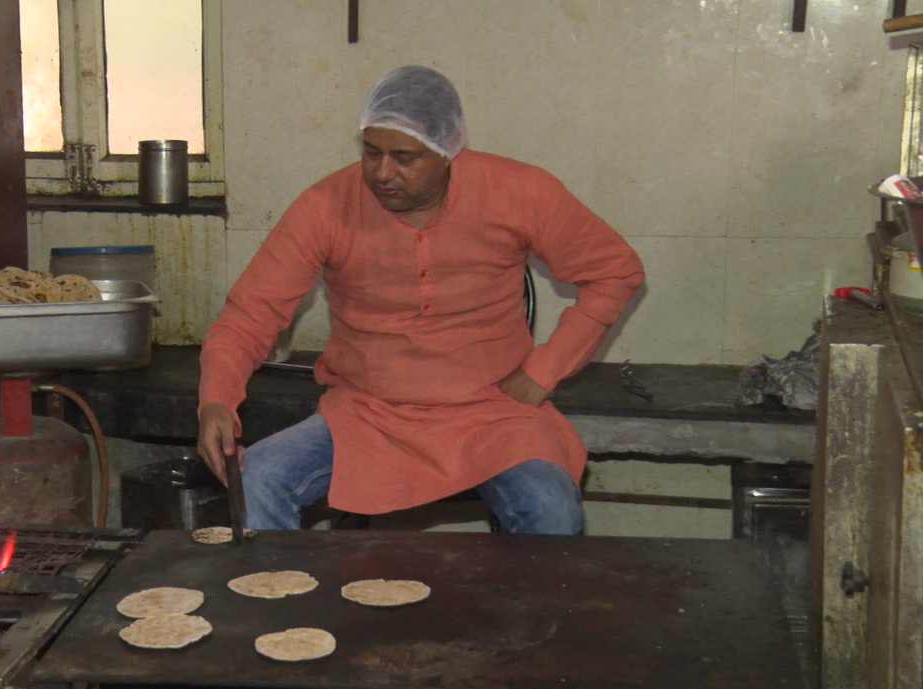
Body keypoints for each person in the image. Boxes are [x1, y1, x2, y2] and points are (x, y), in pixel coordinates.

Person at [197, 65, 644, 534]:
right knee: (258, 479)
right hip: (368, 415)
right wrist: (216, 400)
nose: (382, 173)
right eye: (371, 152)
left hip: (493, 414)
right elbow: (249, 315)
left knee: (551, 510)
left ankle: (524, 612)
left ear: (448, 152)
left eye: (404, 158)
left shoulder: (520, 192)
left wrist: (544, 370)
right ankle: (288, 605)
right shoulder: (325, 207)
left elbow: (615, 270)